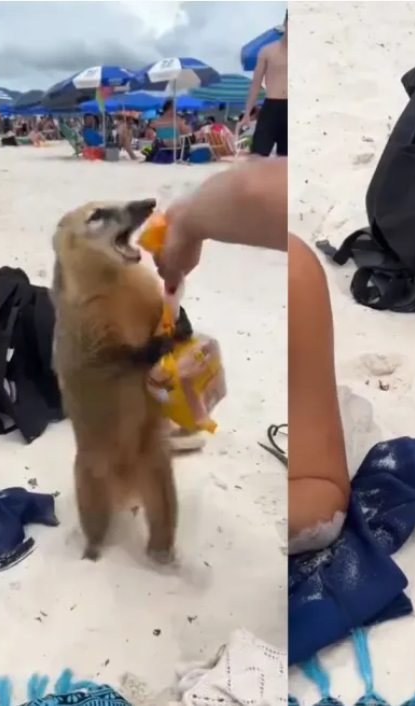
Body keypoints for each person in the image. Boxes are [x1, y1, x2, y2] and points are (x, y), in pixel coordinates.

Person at [150, 160, 345, 553]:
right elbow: (255, 191)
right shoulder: (298, 272)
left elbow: (254, 192)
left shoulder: (298, 277)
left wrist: (188, 222)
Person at [244, 10, 288, 157]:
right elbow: (256, 84)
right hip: (271, 107)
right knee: (257, 155)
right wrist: (247, 114)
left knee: (287, 160)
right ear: (285, 24)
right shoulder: (267, 51)